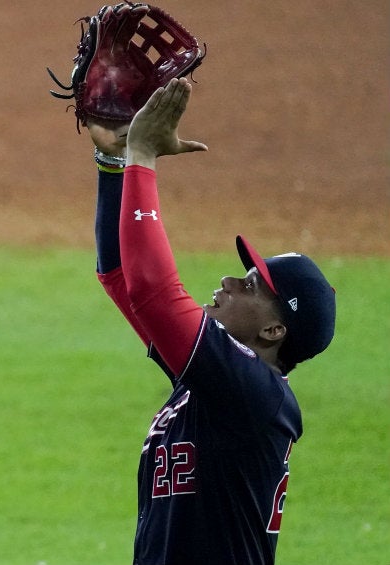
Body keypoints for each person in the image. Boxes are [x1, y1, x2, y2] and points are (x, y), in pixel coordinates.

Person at [86, 78, 336, 565]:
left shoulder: (256, 395)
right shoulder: (212, 381)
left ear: (273, 331)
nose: (227, 281)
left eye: (251, 286)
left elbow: (154, 294)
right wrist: (114, 161)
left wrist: (143, 157)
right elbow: (121, 277)